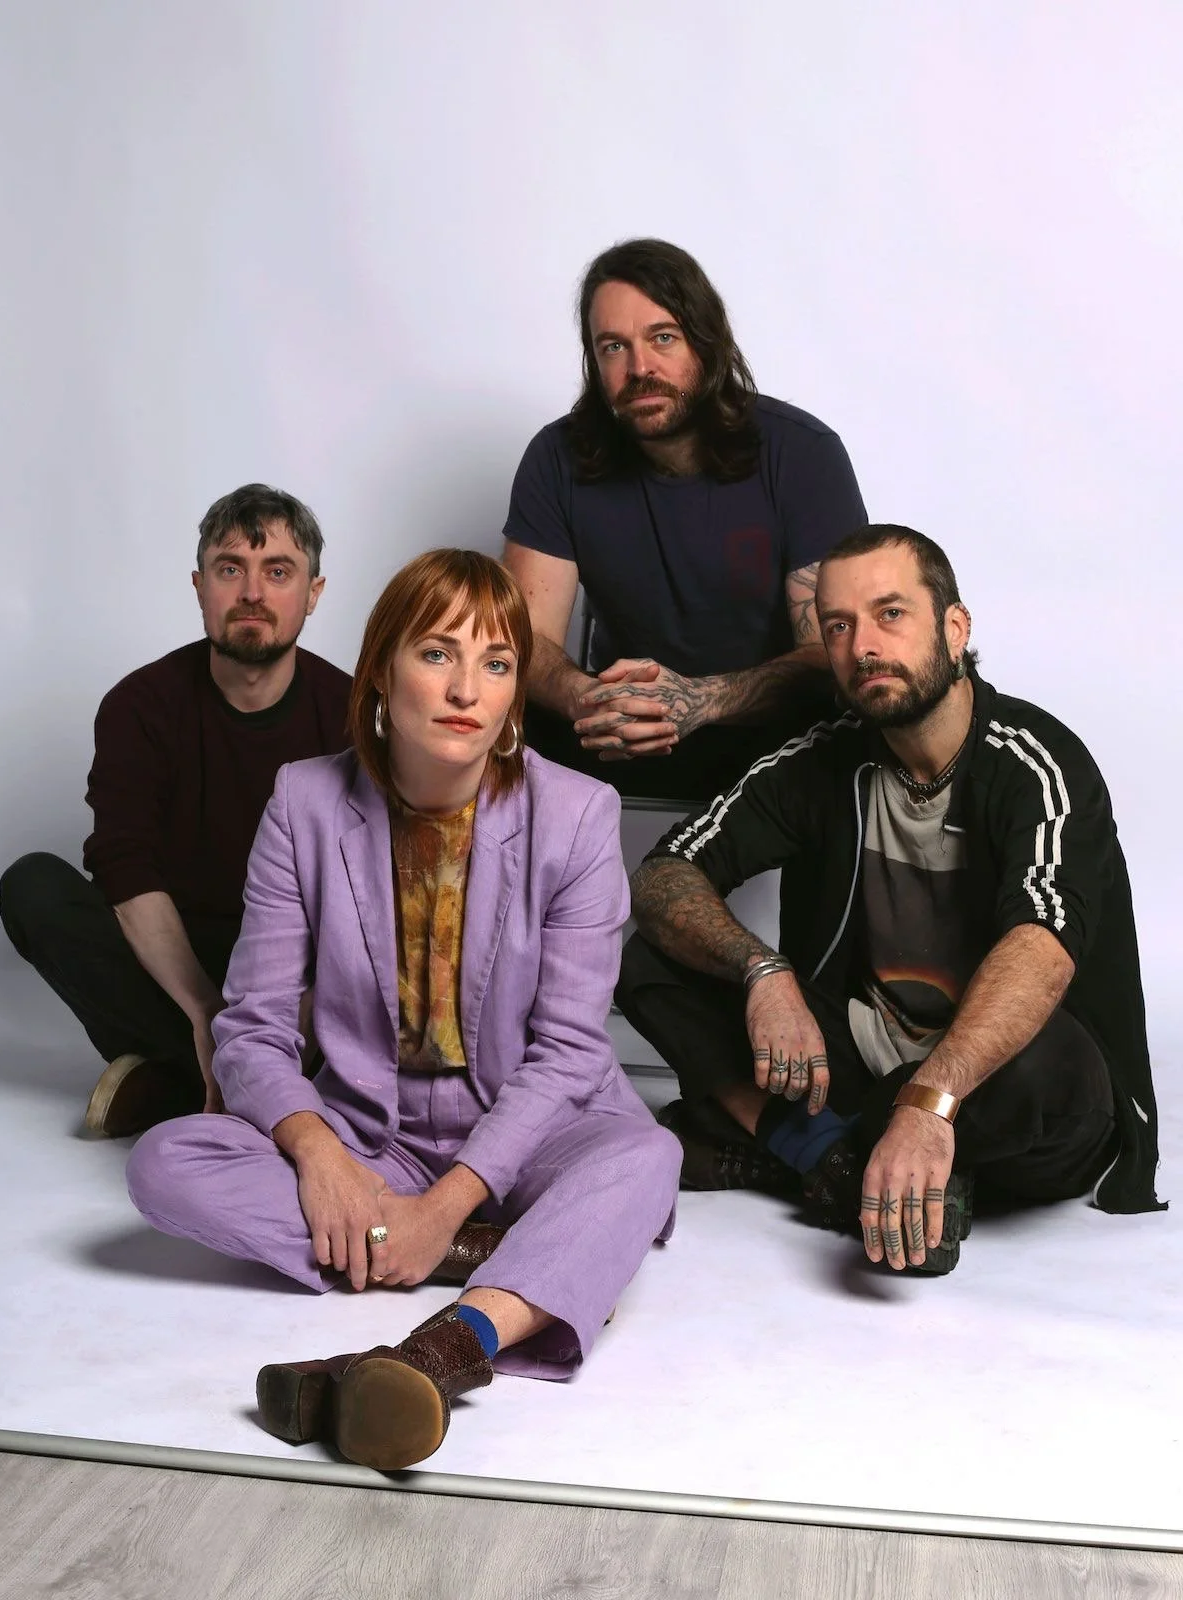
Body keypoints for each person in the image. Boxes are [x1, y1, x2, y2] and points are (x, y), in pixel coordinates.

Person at [125, 549, 681, 1472]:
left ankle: (440, 1351)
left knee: (645, 1155)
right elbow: (251, 1028)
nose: (468, 687)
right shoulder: (305, 801)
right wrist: (321, 1157)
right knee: (165, 1162)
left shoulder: (579, 814)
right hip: (367, 1137)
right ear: (382, 667)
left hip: (531, 1130)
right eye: (437, 654)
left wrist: (452, 1193)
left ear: (513, 695)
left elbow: (570, 1051)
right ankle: (520, 1261)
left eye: (497, 663)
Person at [618, 524, 1164, 1275]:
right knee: (652, 956)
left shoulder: (1036, 763)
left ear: (955, 626)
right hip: (862, 1060)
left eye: (890, 614)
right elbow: (665, 872)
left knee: (1046, 1063)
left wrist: (931, 1097)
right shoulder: (822, 759)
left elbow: (1042, 942)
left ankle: (802, 1150)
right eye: (838, 627)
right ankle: (844, 1171)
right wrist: (761, 971)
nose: (862, 646)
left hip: (999, 1081)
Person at [0, 484, 351, 1136]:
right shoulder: (140, 705)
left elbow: (361, 903)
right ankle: (232, 1080)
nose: (252, 592)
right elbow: (125, 867)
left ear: (313, 592)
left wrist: (293, 1015)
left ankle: (173, 1084)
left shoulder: (354, 713)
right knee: (32, 886)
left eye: (278, 572)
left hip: (294, 971)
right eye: (229, 569)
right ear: (199, 586)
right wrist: (202, 1010)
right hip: (171, 962)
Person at [502, 237, 867, 804]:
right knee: (486, 712)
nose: (640, 367)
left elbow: (835, 652)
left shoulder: (801, 452)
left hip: (776, 732)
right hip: (622, 727)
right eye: (613, 348)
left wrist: (700, 700)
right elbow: (523, 640)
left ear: (707, 341)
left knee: (863, 716)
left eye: (662, 338)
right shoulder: (557, 458)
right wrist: (585, 697)